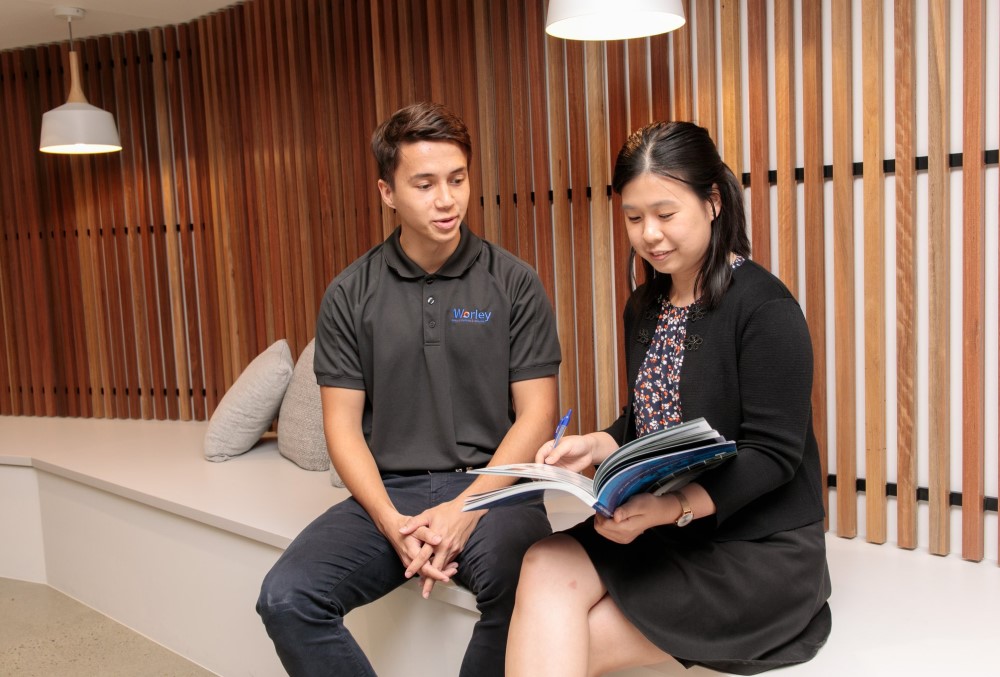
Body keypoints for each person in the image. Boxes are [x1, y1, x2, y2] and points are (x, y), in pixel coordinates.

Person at [506, 121, 831, 677]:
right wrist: (598, 442)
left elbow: (774, 455)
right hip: (670, 530)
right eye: (634, 218)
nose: (649, 234)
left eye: (665, 213)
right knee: (543, 559)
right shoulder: (644, 305)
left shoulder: (765, 309)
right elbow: (652, 417)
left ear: (712, 202)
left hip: (756, 550)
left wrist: (670, 509)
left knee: (564, 637)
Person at [257, 101, 561, 677]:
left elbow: (537, 415)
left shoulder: (515, 283)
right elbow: (341, 429)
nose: (446, 199)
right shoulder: (350, 293)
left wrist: (464, 508)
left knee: (522, 589)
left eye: (457, 179)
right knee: (287, 598)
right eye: (424, 184)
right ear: (387, 192)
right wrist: (390, 522)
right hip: (390, 492)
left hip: (493, 488)